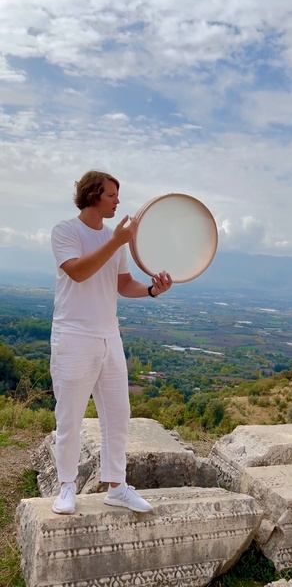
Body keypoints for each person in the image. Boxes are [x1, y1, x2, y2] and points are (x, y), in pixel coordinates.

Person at [50, 170, 172, 515]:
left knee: (119, 414)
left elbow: (122, 283)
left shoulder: (111, 238)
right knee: (70, 415)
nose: (118, 201)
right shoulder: (66, 231)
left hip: (108, 336)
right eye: (112, 195)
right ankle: (66, 486)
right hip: (73, 335)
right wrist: (116, 242)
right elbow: (78, 270)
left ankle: (117, 486)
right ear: (92, 196)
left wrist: (151, 290)